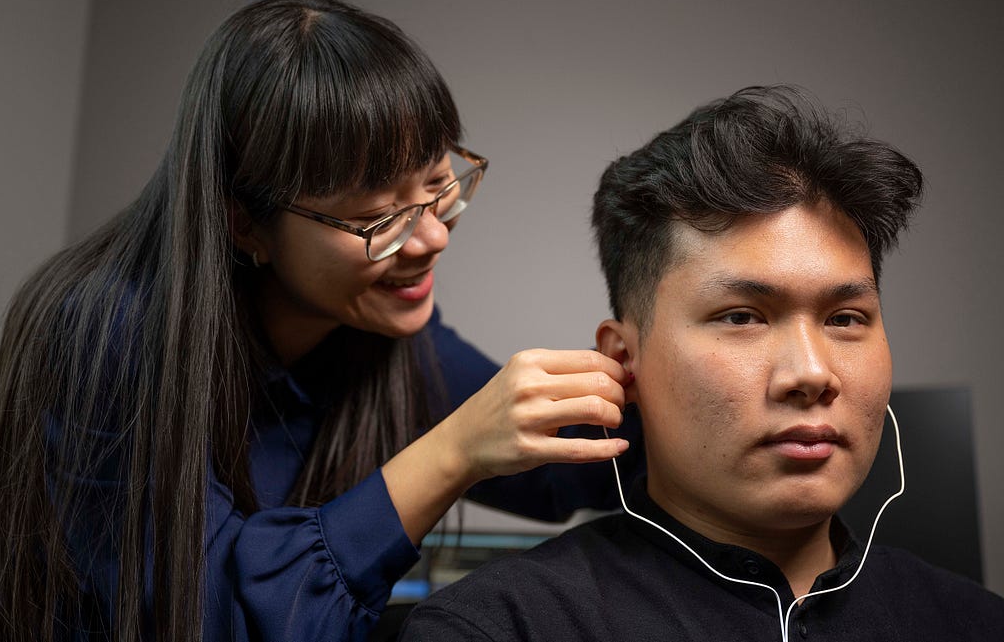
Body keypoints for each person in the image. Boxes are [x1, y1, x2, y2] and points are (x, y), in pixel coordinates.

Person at [0, 0, 643, 642]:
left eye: (439, 185)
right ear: (246, 224)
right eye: (378, 219)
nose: (432, 238)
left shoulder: (380, 331)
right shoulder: (100, 337)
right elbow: (217, 616)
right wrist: (454, 450)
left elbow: (561, 464)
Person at [399, 86, 1004, 641]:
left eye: (845, 318)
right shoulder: (498, 628)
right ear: (622, 361)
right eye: (742, 316)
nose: (813, 374)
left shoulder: (975, 621)